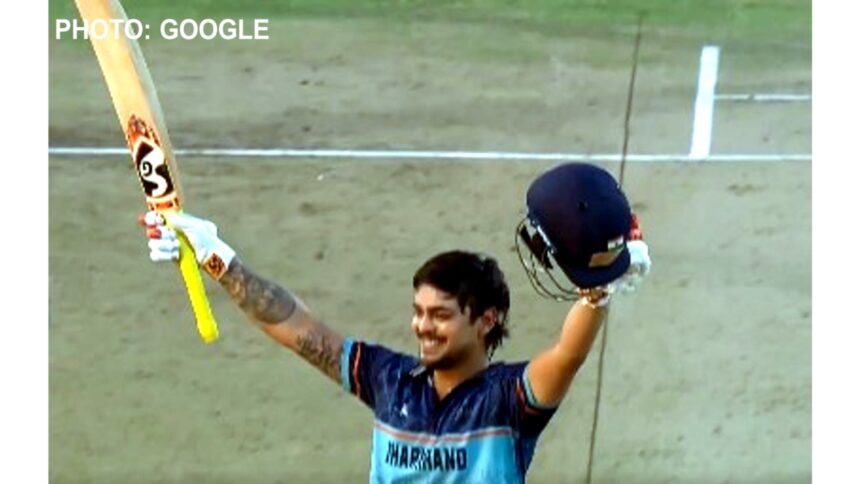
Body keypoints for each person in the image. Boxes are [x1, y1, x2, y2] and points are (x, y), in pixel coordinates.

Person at [141, 162, 651, 483]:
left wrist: (598, 290)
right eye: (420, 312)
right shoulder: (389, 381)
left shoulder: (509, 402)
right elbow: (296, 329)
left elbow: (568, 355)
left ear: (486, 321)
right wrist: (216, 259)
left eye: (441, 316)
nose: (422, 327)